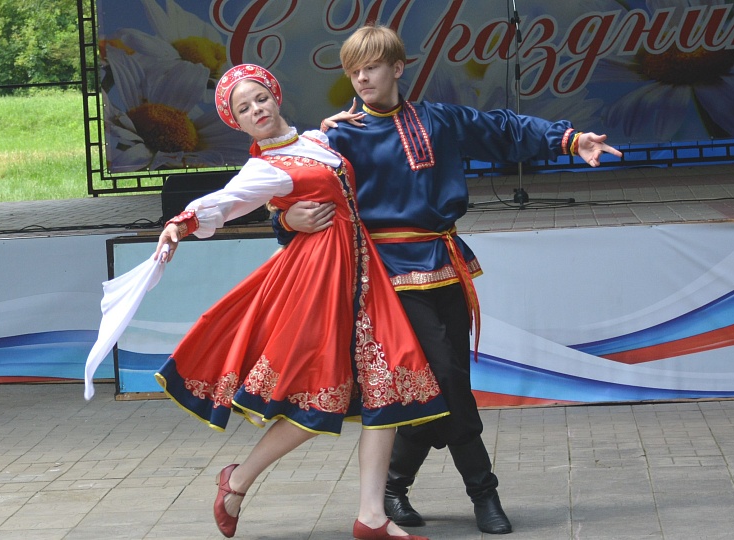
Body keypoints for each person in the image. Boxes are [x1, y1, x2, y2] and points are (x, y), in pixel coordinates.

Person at [277, 25, 624, 535]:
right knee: (448, 378)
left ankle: (394, 485)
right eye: (353, 71)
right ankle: (484, 493)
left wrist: (570, 140)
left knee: (442, 384)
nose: (362, 78)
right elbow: (288, 189)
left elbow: (503, 130)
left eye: (371, 67)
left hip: (445, 262)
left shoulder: (437, 119)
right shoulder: (338, 136)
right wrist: (286, 220)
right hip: (388, 278)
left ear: (397, 68)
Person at [153, 63, 449, 540]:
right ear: (236, 122)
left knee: (387, 390)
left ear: (276, 96)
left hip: (363, 276)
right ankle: (238, 480)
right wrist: (181, 223)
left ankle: (371, 517)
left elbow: (324, 153)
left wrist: (330, 127)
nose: (256, 110)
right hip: (321, 281)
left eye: (260, 99)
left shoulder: (316, 140)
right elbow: (227, 201)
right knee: (318, 398)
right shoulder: (263, 168)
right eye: (243, 109)